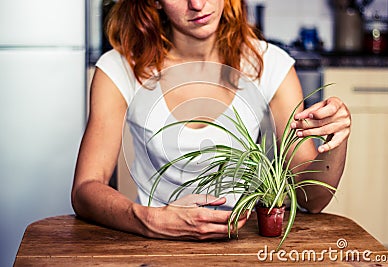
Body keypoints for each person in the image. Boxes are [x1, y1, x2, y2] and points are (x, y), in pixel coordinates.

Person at [71, 0, 351, 240]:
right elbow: (85, 188)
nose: (197, 4)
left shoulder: (270, 64)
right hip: (153, 244)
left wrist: (336, 140)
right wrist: (150, 220)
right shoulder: (119, 68)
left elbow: (311, 200)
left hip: (242, 242)